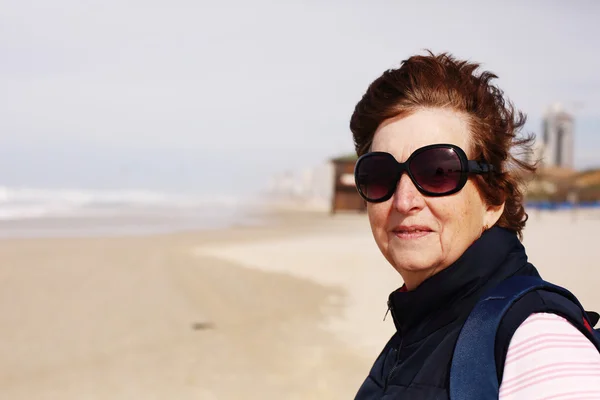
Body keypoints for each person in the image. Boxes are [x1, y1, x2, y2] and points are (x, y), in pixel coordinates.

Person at [349, 51, 600, 399]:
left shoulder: (537, 341)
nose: (405, 200)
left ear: (493, 200)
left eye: (437, 172)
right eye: (380, 175)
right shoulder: (416, 331)